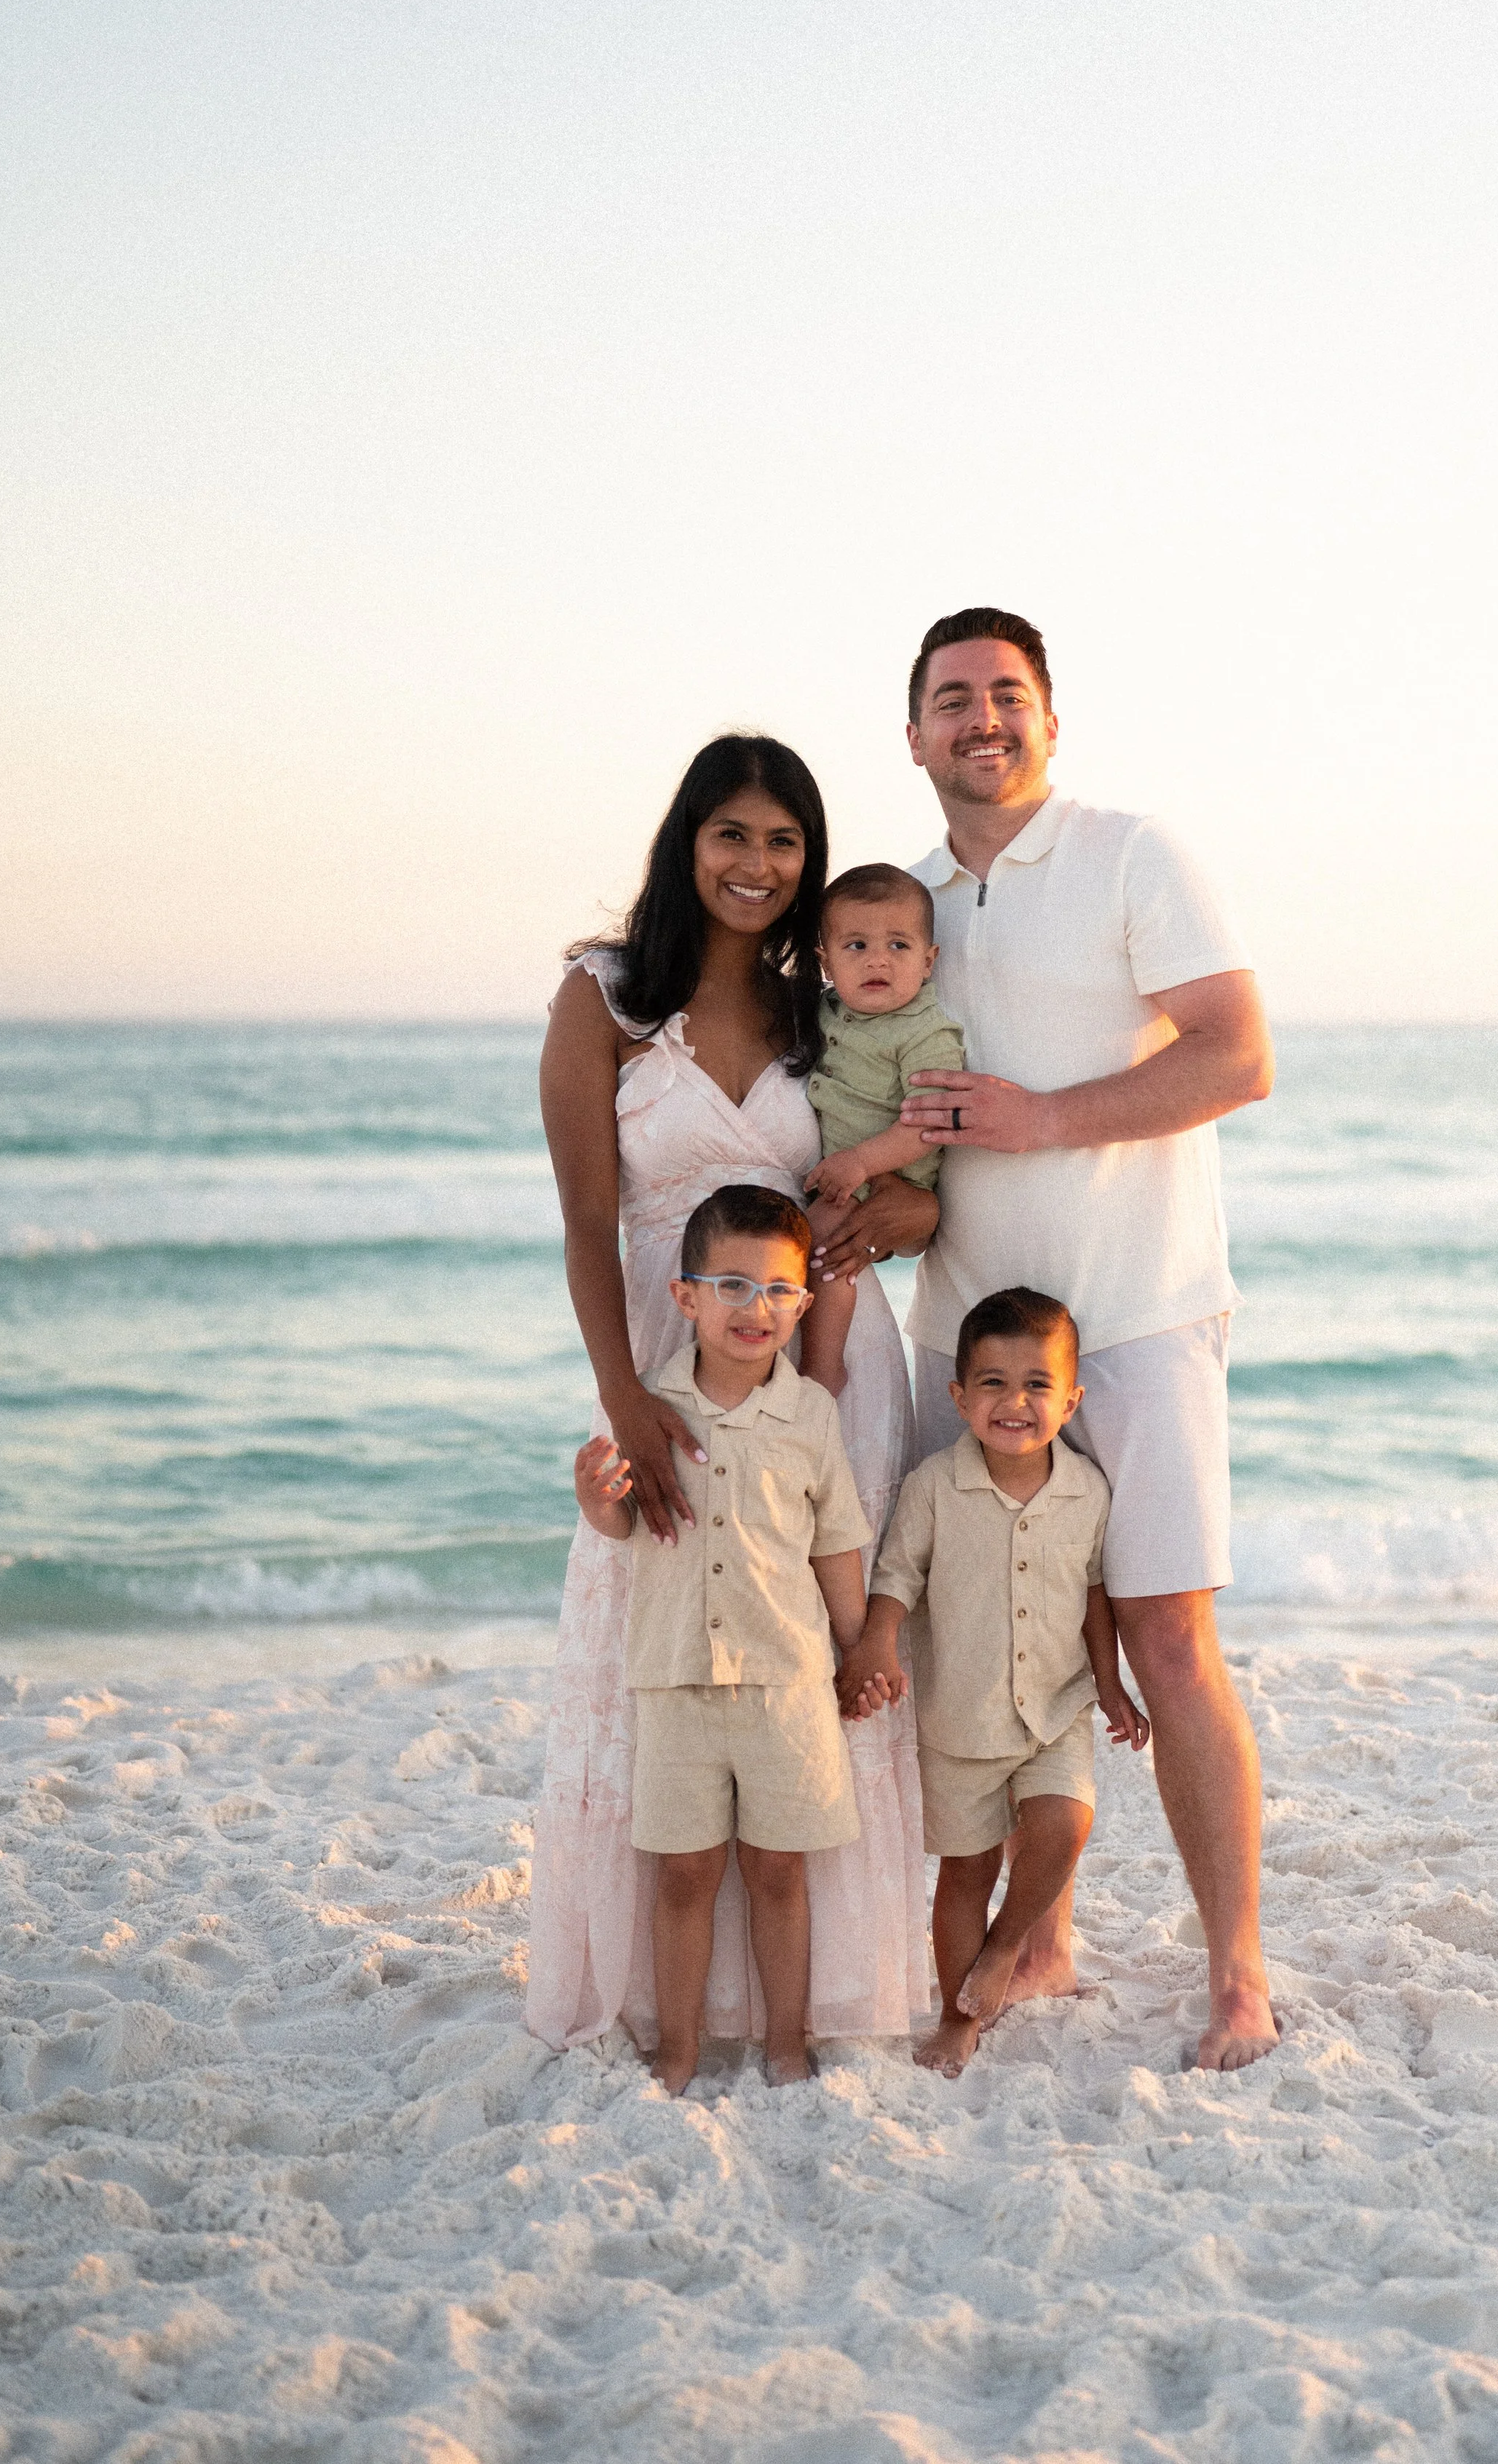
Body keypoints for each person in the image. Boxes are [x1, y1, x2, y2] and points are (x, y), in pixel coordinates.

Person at [895, 608, 1281, 2071]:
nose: (979, 720)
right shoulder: (902, 900)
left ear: (1047, 720)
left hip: (1137, 1315)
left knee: (1170, 1643)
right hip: (968, 1334)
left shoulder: (1132, 853)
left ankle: (1235, 1974)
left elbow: (1237, 1055)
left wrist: (1048, 1119)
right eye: (951, 699)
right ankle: (1040, 1936)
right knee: (1008, 1649)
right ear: (913, 732)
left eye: (1005, 696)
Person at [525, 734, 935, 2056]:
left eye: (784, 842)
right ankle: (667, 1994)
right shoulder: (606, 998)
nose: (758, 867)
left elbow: (911, 1192)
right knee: (658, 1641)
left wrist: (901, 1212)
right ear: (686, 841)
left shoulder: (832, 1006)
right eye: (733, 836)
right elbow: (590, 1219)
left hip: (832, 1371)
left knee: (815, 1648)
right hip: (667, 1353)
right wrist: (626, 1402)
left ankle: (816, 1999)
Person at [573, 1185, 873, 2093]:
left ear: (804, 1304)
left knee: (780, 1873)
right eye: (732, 1286)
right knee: (684, 1876)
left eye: (780, 1290)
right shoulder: (651, 1409)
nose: (758, 1309)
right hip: (676, 1680)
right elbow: (628, 1528)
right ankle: (679, 2049)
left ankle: (788, 2041)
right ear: (685, 1297)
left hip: (787, 1680)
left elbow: (837, 1542)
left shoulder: (811, 1414)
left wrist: (859, 1651)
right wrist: (596, 1500)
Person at [839, 1287, 1148, 2076]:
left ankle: (1005, 1950)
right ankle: (955, 2017)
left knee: (1065, 1824)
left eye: (1037, 1385)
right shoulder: (934, 1487)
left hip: (1054, 1707)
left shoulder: (1087, 1492)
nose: (1015, 1401)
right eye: (993, 1383)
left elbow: (1092, 1593)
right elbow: (896, 1578)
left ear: (1070, 1399)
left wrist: (1108, 1684)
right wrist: (877, 1644)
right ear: (958, 1396)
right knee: (966, 1873)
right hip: (959, 1717)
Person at [800, 863, 965, 1396]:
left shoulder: (924, 1027)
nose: (878, 959)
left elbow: (931, 1121)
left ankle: (824, 1366)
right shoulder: (824, 1011)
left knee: (827, 1244)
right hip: (852, 1170)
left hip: (889, 1175)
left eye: (898, 945)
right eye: (856, 946)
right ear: (825, 961)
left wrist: (863, 1163)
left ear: (928, 960)